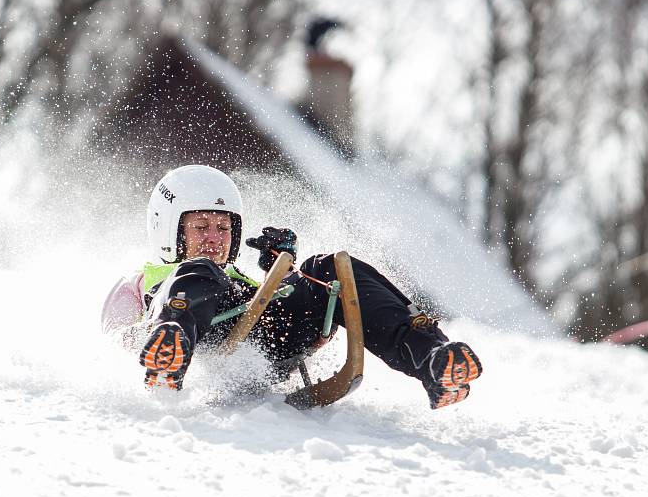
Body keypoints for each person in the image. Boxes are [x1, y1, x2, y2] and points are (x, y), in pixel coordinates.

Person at [101, 164, 482, 409]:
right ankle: (175, 347)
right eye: (201, 227)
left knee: (329, 267)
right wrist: (150, 336)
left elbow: (267, 314)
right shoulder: (139, 284)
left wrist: (277, 274)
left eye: (223, 228)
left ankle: (430, 358)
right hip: (203, 339)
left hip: (264, 340)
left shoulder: (236, 280)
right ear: (169, 229)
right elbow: (113, 342)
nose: (214, 238)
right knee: (199, 270)